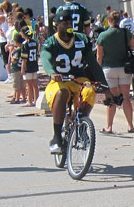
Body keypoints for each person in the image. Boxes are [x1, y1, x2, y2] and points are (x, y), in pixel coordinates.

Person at [42, 10, 106, 154]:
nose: (68, 26)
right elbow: (45, 58)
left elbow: (93, 63)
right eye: (65, 23)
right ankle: (57, 137)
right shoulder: (51, 42)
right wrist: (52, 72)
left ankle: (81, 126)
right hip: (59, 80)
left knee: (89, 91)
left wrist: (105, 86)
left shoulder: (81, 39)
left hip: (78, 78)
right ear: (56, 25)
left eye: (70, 23)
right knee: (62, 92)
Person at [96, 10, 134, 134]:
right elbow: (133, 46)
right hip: (124, 67)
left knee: (112, 99)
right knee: (126, 98)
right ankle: (130, 126)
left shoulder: (103, 35)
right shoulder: (125, 33)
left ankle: (109, 126)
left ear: (109, 21)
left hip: (108, 69)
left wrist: (98, 73)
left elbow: (99, 56)